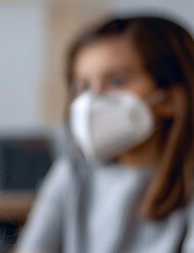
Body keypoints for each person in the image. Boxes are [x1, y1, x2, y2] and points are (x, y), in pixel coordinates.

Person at [17, 15, 194, 252]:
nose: (92, 100)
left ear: (170, 99)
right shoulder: (72, 174)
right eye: (84, 86)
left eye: (117, 81)